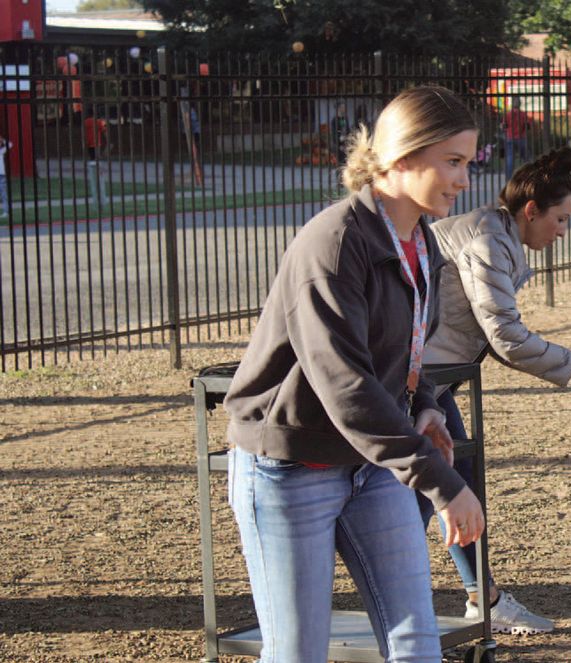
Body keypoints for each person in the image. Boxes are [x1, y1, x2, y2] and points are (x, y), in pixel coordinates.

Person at [222, 85, 485, 663]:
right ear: (402, 155)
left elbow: (405, 357)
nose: (465, 180)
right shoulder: (337, 243)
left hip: (370, 467)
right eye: (454, 162)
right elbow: (344, 385)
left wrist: (427, 408)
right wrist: (442, 480)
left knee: (417, 644)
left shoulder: (424, 244)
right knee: (298, 652)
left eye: (468, 163)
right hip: (292, 468)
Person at [419, 146, 571, 635]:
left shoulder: (498, 235)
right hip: (418, 376)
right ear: (530, 211)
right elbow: (506, 336)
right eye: (560, 218)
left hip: (433, 375)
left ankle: (481, 597)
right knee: (432, 486)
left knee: (452, 479)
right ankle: (444, 597)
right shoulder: (487, 240)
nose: (562, 230)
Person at [502, 96, 529, 176]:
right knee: (525, 158)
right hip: (521, 138)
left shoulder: (508, 114)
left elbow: (504, 126)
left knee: (510, 158)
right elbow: (527, 126)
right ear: (520, 104)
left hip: (510, 137)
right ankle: (528, 174)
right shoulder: (523, 114)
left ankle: (509, 178)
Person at [0, 134, 10, 218]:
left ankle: (6, 212)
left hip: (2, 175)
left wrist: (3, 140)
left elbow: (10, 144)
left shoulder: (1, 151)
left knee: (4, 195)